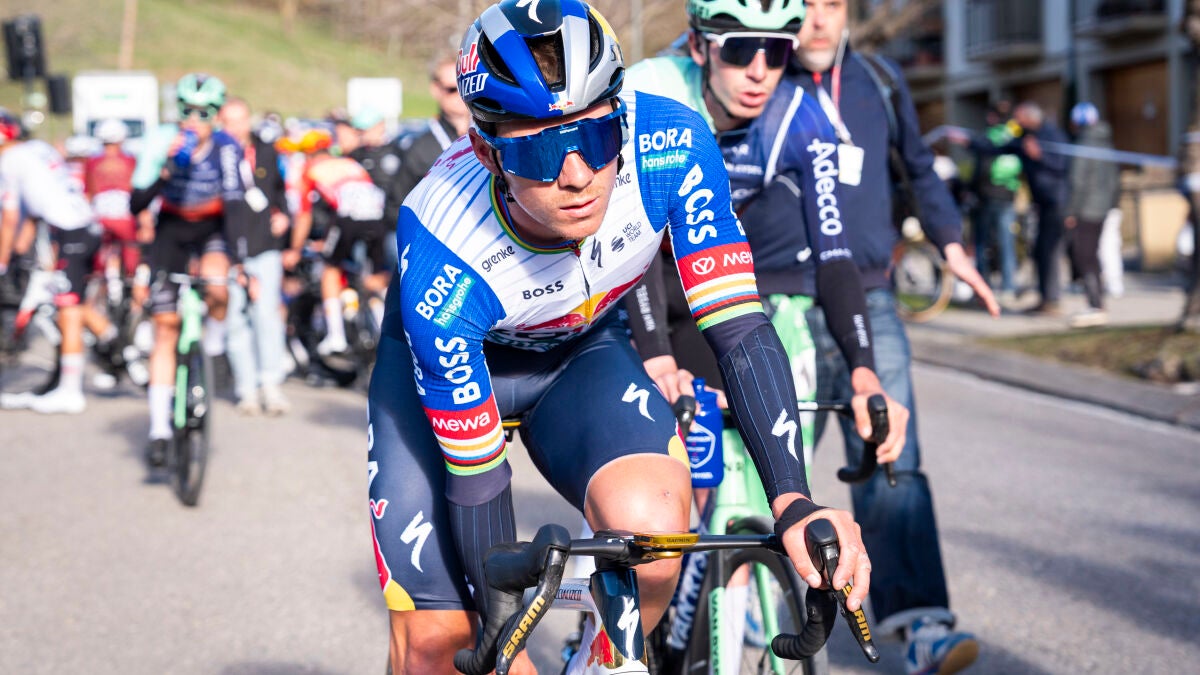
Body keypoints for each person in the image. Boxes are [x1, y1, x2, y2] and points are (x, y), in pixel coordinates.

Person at [368, 2, 882, 673]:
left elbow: (739, 327)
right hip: (450, 373)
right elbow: (477, 474)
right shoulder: (443, 245)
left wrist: (794, 500)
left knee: (655, 537)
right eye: (540, 149)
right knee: (438, 648)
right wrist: (502, 629)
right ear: (489, 152)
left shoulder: (672, 144)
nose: (578, 174)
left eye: (598, 135)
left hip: (577, 355)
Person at [789, 2, 999, 673]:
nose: (817, 21)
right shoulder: (757, 79)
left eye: (831, 4)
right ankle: (745, 608)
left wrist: (952, 244)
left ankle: (921, 625)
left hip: (871, 297)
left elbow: (919, 166)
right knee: (765, 464)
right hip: (778, 300)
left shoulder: (879, 79)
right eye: (803, 6)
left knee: (891, 456)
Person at [620, 0, 905, 476]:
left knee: (715, 459)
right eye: (739, 51)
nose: (758, 72)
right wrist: (657, 358)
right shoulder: (650, 93)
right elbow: (633, 238)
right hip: (626, 274)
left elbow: (834, 256)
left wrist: (864, 372)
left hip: (698, 275)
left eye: (775, 53)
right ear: (699, 47)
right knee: (648, 466)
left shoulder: (801, 119)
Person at [130, 73, 249, 466]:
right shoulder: (162, 139)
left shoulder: (226, 146)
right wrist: (163, 168)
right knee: (165, 327)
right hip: (171, 229)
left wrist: (241, 261)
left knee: (218, 284)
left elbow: (235, 205)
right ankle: (159, 430)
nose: (194, 119)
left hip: (211, 227)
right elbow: (136, 203)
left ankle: (213, 347)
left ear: (217, 114)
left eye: (205, 112)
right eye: (187, 110)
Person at [0, 111, 117, 414]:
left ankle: (70, 390)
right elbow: (33, 210)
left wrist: (2, 261)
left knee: (68, 310)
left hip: (71, 231)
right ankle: (117, 345)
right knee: (73, 302)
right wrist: (19, 247)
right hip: (82, 227)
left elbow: (10, 218)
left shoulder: (9, 161)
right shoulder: (36, 149)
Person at [282, 128, 390, 356]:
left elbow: (304, 216)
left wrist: (294, 249)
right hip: (378, 219)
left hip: (348, 219)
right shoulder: (350, 164)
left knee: (330, 268)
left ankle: (336, 336)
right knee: (374, 277)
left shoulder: (310, 170)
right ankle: (386, 331)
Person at [218, 96, 292, 415]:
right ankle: (246, 390)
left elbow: (279, 189)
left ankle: (270, 386)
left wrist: (283, 215)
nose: (236, 127)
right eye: (229, 122)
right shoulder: (217, 155)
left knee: (267, 317)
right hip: (229, 250)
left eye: (240, 120)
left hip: (265, 246)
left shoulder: (265, 149)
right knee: (237, 319)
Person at [964, 100, 1070, 315]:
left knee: (1049, 252)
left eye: (1019, 118)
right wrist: (970, 143)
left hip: (1056, 202)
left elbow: (1063, 164)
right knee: (1040, 252)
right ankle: (1046, 298)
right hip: (1040, 203)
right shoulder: (1024, 138)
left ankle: (1052, 300)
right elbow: (998, 148)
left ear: (1030, 118)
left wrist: (1040, 155)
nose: (1015, 122)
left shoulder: (1051, 134)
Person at [1064, 102, 1119, 328]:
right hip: (1103, 208)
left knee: (1084, 255)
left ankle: (1095, 305)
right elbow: (1115, 180)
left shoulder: (1083, 144)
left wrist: (1071, 211)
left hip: (1086, 209)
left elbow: (1077, 181)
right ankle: (1097, 302)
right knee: (1092, 254)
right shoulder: (1106, 142)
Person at [392, 52, 473, 204]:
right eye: (452, 89)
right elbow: (396, 205)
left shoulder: (489, 136)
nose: (461, 95)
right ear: (436, 89)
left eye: (465, 85)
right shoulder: (419, 149)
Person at [969, 101, 1021, 302]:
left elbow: (981, 170)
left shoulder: (987, 138)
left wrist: (971, 190)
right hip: (1008, 195)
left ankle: (983, 287)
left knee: (982, 243)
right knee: (1007, 243)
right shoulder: (1013, 137)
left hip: (987, 197)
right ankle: (1008, 287)